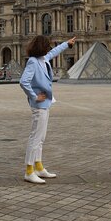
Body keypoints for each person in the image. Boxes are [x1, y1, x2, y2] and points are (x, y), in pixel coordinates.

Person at [19, 35, 76, 184]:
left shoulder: (43, 59)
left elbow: (55, 52)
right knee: (35, 138)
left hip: (46, 103)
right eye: (47, 46)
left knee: (41, 138)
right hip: (39, 105)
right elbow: (23, 81)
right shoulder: (32, 61)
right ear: (41, 47)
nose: (49, 48)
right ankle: (29, 171)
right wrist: (34, 96)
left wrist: (66, 44)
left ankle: (38, 167)